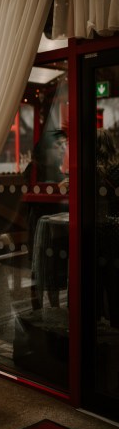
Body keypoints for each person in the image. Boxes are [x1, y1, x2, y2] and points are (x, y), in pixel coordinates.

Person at [23, 129, 69, 310]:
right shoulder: (34, 169)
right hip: (39, 226)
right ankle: (37, 311)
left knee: (55, 270)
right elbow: (32, 193)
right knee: (39, 268)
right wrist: (58, 188)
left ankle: (56, 309)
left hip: (56, 227)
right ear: (46, 149)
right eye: (58, 145)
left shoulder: (57, 170)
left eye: (64, 145)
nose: (62, 149)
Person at [96, 128, 119, 328]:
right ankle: (114, 318)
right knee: (114, 277)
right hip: (115, 228)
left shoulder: (93, 171)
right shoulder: (116, 169)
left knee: (98, 276)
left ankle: (97, 317)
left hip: (99, 228)